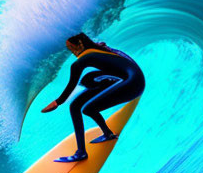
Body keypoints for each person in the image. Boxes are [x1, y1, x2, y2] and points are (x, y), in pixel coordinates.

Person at [41, 32, 145, 162]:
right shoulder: (99, 49)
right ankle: (107, 133)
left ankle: (81, 153)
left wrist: (57, 102)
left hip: (132, 84)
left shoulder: (83, 60)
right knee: (80, 100)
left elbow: (71, 85)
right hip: (135, 79)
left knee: (83, 108)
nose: (72, 51)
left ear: (80, 44)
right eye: (69, 49)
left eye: (72, 47)